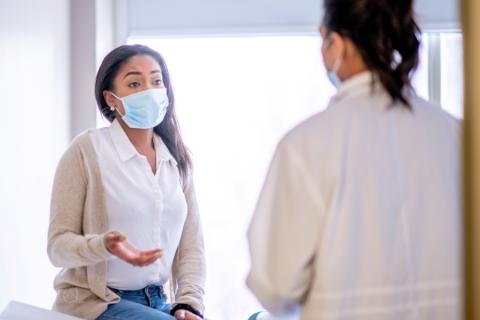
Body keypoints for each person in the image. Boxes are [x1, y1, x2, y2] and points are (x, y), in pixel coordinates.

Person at [247, 0, 462, 319]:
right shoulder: (457, 135)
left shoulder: (307, 144)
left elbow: (275, 286)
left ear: (336, 44)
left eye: (323, 39)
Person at [47, 44, 205, 320]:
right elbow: (57, 248)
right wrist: (103, 245)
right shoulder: (87, 151)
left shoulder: (176, 160)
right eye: (134, 83)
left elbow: (191, 247)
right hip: (97, 303)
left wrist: (188, 304)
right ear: (111, 99)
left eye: (156, 81)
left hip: (157, 302)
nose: (149, 90)